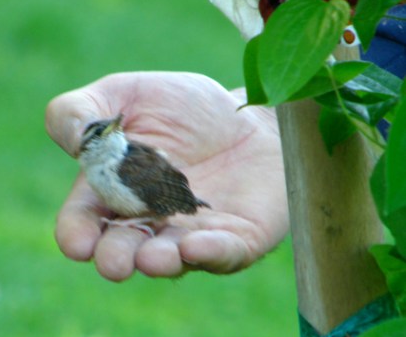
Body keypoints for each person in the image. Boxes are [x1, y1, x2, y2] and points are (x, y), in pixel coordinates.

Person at [45, 71, 289, 281]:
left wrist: (148, 216)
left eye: (113, 130)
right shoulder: (107, 168)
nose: (114, 131)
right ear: (86, 149)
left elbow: (161, 196)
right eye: (101, 135)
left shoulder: (126, 167)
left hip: (165, 195)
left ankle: (141, 221)